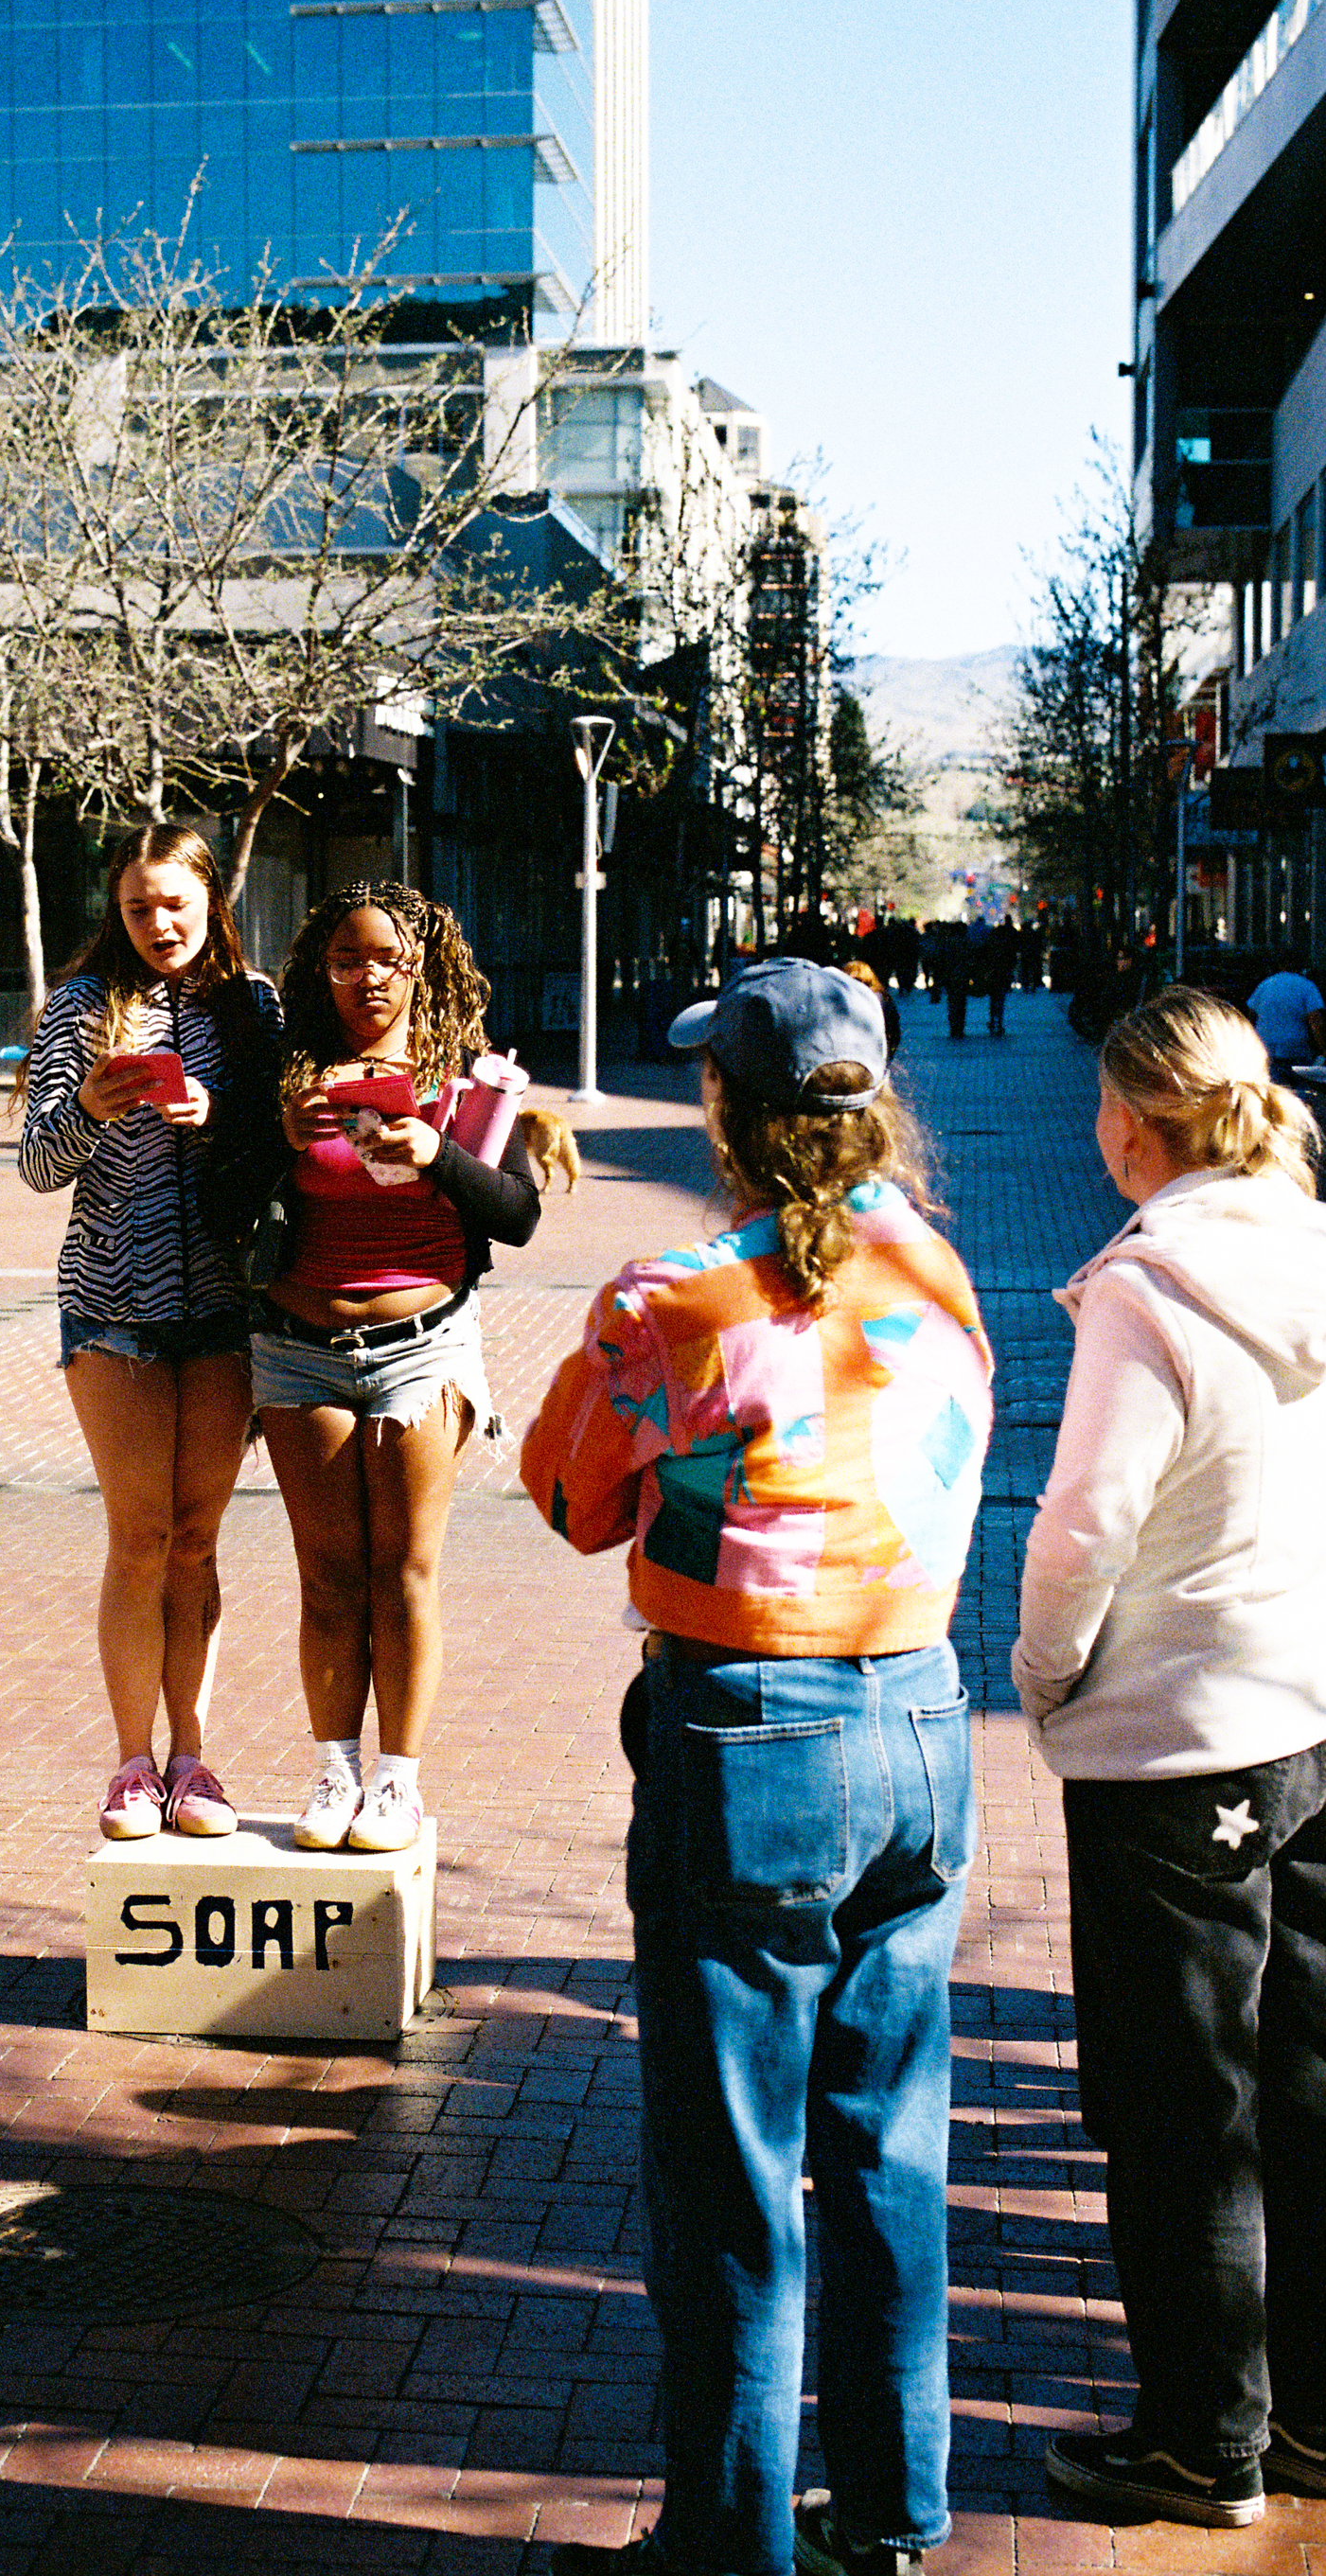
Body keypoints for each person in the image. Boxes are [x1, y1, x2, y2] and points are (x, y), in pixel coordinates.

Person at [522, 958, 995, 2576]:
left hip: (751, 1736)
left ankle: (728, 2532)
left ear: (722, 1107)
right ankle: (894, 2508)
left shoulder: (677, 1299)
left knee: (732, 2164)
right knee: (888, 2143)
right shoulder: (934, 1270)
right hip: (924, 1722)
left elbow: (572, 1497)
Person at [1014, 988, 1326, 2530]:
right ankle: (1311, 2413)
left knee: (1173, 2097)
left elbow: (1083, 1523)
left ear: (1134, 1124)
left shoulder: (1153, 1288)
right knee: (1301, 2075)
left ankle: (1203, 2437)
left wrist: (1039, 1674)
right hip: (1306, 1719)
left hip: (1176, 1740)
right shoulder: (1306, 1248)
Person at [255, 879, 540, 1855]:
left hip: (424, 1351)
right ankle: (334, 1772)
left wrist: (436, 1154)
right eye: (347, 958)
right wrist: (273, 1138)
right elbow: (230, 1202)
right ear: (320, 968)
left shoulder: (466, 1082)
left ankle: (397, 1785)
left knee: (404, 1576)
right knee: (329, 1577)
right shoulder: (295, 1075)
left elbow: (518, 1212)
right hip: (298, 1355)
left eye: (388, 958)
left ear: (424, 966)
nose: (367, 977)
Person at [20, 824, 283, 1840]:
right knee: (139, 1540)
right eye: (138, 908)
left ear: (211, 901)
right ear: (116, 914)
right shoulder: (84, 1008)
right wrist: (87, 1104)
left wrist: (217, 1114)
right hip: (113, 1310)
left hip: (225, 1308)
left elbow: (281, 1148)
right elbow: (41, 1167)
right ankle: (133, 1764)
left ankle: (196, 1758)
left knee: (198, 1541)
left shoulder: (254, 1007)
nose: (158, 924)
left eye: (175, 903)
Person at [1244, 953, 1325, 1083]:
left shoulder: (1265, 985)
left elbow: (1251, 1016)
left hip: (1265, 1048)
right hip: (1295, 1049)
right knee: (1299, 1092)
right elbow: (1315, 1021)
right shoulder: (1307, 986)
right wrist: (1323, 1048)